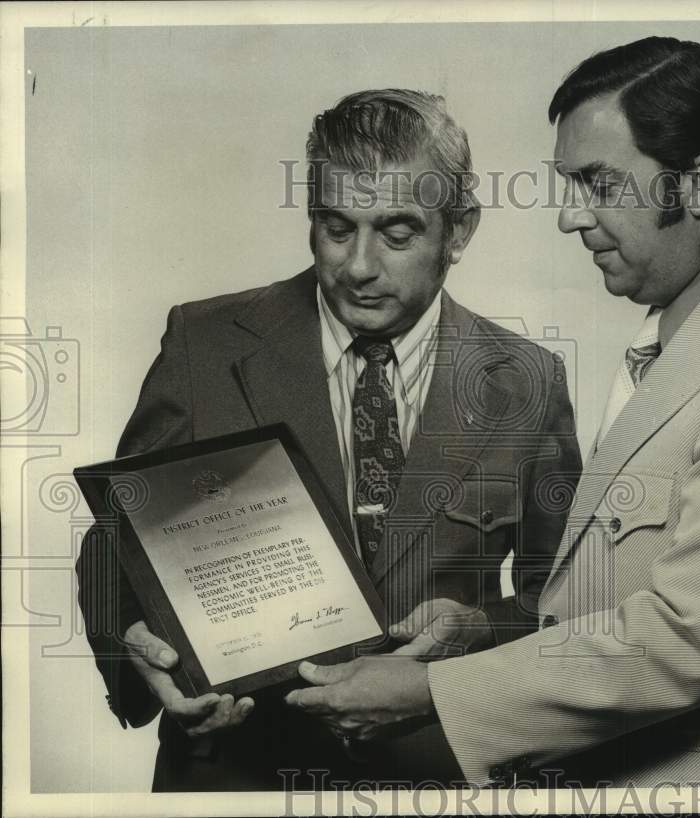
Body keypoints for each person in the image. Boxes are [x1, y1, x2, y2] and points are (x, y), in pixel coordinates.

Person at [284, 38, 700, 787]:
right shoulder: (693, 331)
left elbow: (682, 643)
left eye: (599, 185)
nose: (572, 219)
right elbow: (603, 595)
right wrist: (476, 629)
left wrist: (433, 692)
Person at [75, 89, 582, 791]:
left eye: (398, 233)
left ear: (459, 230)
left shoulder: (528, 379)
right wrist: (135, 643)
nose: (358, 266)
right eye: (335, 227)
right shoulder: (204, 343)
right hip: (234, 780)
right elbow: (113, 543)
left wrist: (475, 628)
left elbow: (568, 602)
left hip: (434, 778)